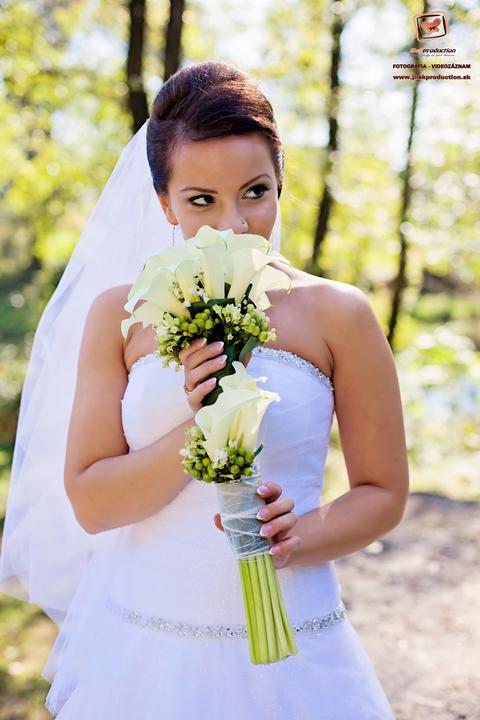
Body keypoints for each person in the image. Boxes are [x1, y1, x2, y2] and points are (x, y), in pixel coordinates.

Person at [0, 61, 409, 718]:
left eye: (255, 192)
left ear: (280, 182)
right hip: (145, 655)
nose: (235, 224)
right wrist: (206, 425)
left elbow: (383, 492)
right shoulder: (119, 314)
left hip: (296, 651)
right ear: (164, 202)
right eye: (201, 201)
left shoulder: (340, 315)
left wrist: (295, 536)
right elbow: (93, 505)